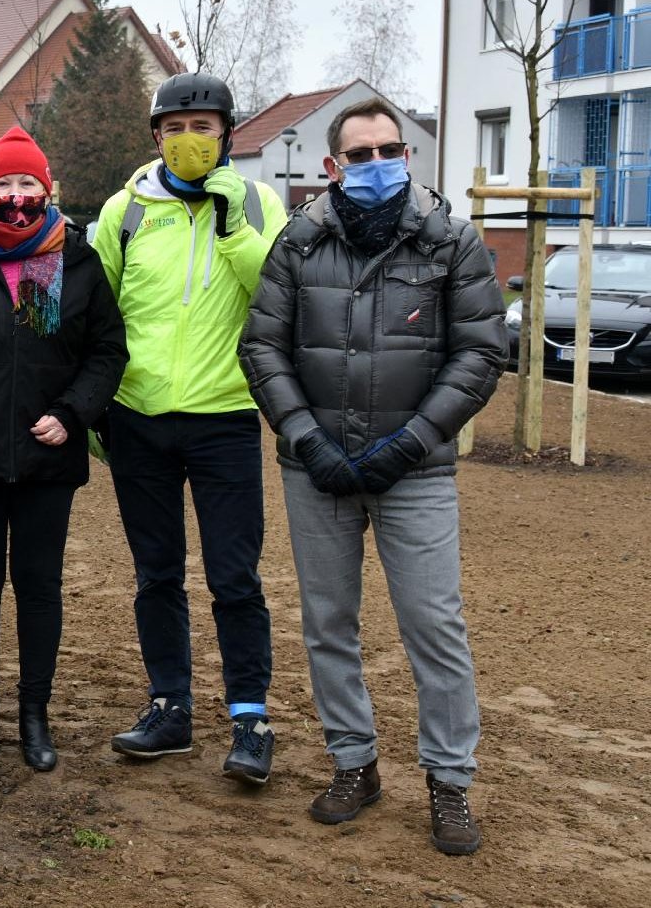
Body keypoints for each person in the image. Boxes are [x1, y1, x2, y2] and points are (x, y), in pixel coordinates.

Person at [240, 98, 504, 855]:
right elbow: (263, 348)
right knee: (329, 625)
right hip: (316, 470)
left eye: (391, 150)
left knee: (435, 627)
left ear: (408, 158)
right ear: (334, 166)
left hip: (415, 473)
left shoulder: (452, 241)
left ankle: (450, 780)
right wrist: (302, 435)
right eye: (361, 155)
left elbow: (479, 354)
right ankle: (354, 763)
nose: (378, 164)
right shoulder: (298, 242)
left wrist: (414, 441)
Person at [90, 72, 286, 785]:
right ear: (155, 137)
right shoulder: (126, 209)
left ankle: (250, 719)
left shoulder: (260, 204)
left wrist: (233, 224)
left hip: (225, 419)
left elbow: (275, 293)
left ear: (227, 133)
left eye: (203, 127)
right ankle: (169, 706)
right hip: (138, 419)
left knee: (235, 576)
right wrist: (96, 406)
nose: (189, 140)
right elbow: (100, 312)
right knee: (156, 574)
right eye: (174, 129)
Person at [0, 127, 126, 771]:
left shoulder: (79, 263)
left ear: (47, 188)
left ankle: (34, 715)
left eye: (26, 183)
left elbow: (106, 352)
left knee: (39, 588)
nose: (16, 196)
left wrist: (73, 413)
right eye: (3, 184)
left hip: (47, 456)